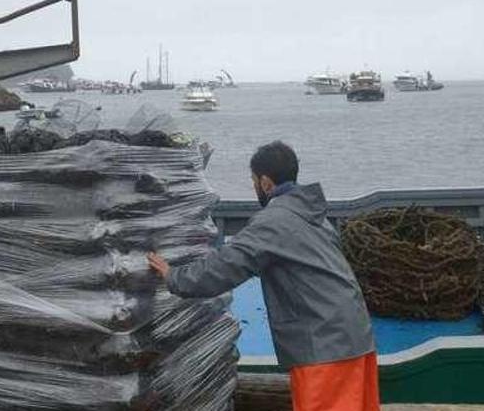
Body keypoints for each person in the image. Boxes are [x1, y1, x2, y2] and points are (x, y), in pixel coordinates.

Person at [147, 141, 377, 411]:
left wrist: (174, 275)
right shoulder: (314, 216)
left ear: (266, 183)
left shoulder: (274, 220)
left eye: (254, 181)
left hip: (324, 347)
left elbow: (226, 266)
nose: (254, 186)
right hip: (357, 339)